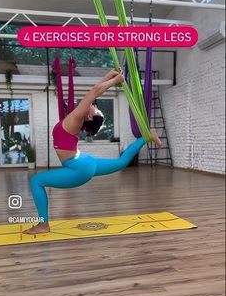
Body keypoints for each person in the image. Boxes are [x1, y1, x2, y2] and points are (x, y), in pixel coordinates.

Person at [24, 69, 161, 234]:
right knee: (121, 162)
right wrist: (109, 76)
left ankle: (43, 225)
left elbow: (95, 91)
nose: (94, 106)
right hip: (85, 162)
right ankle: (147, 137)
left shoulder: (77, 117)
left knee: (36, 181)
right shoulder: (77, 117)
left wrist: (115, 80)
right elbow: (94, 91)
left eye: (96, 110)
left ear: (89, 117)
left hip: (78, 168)